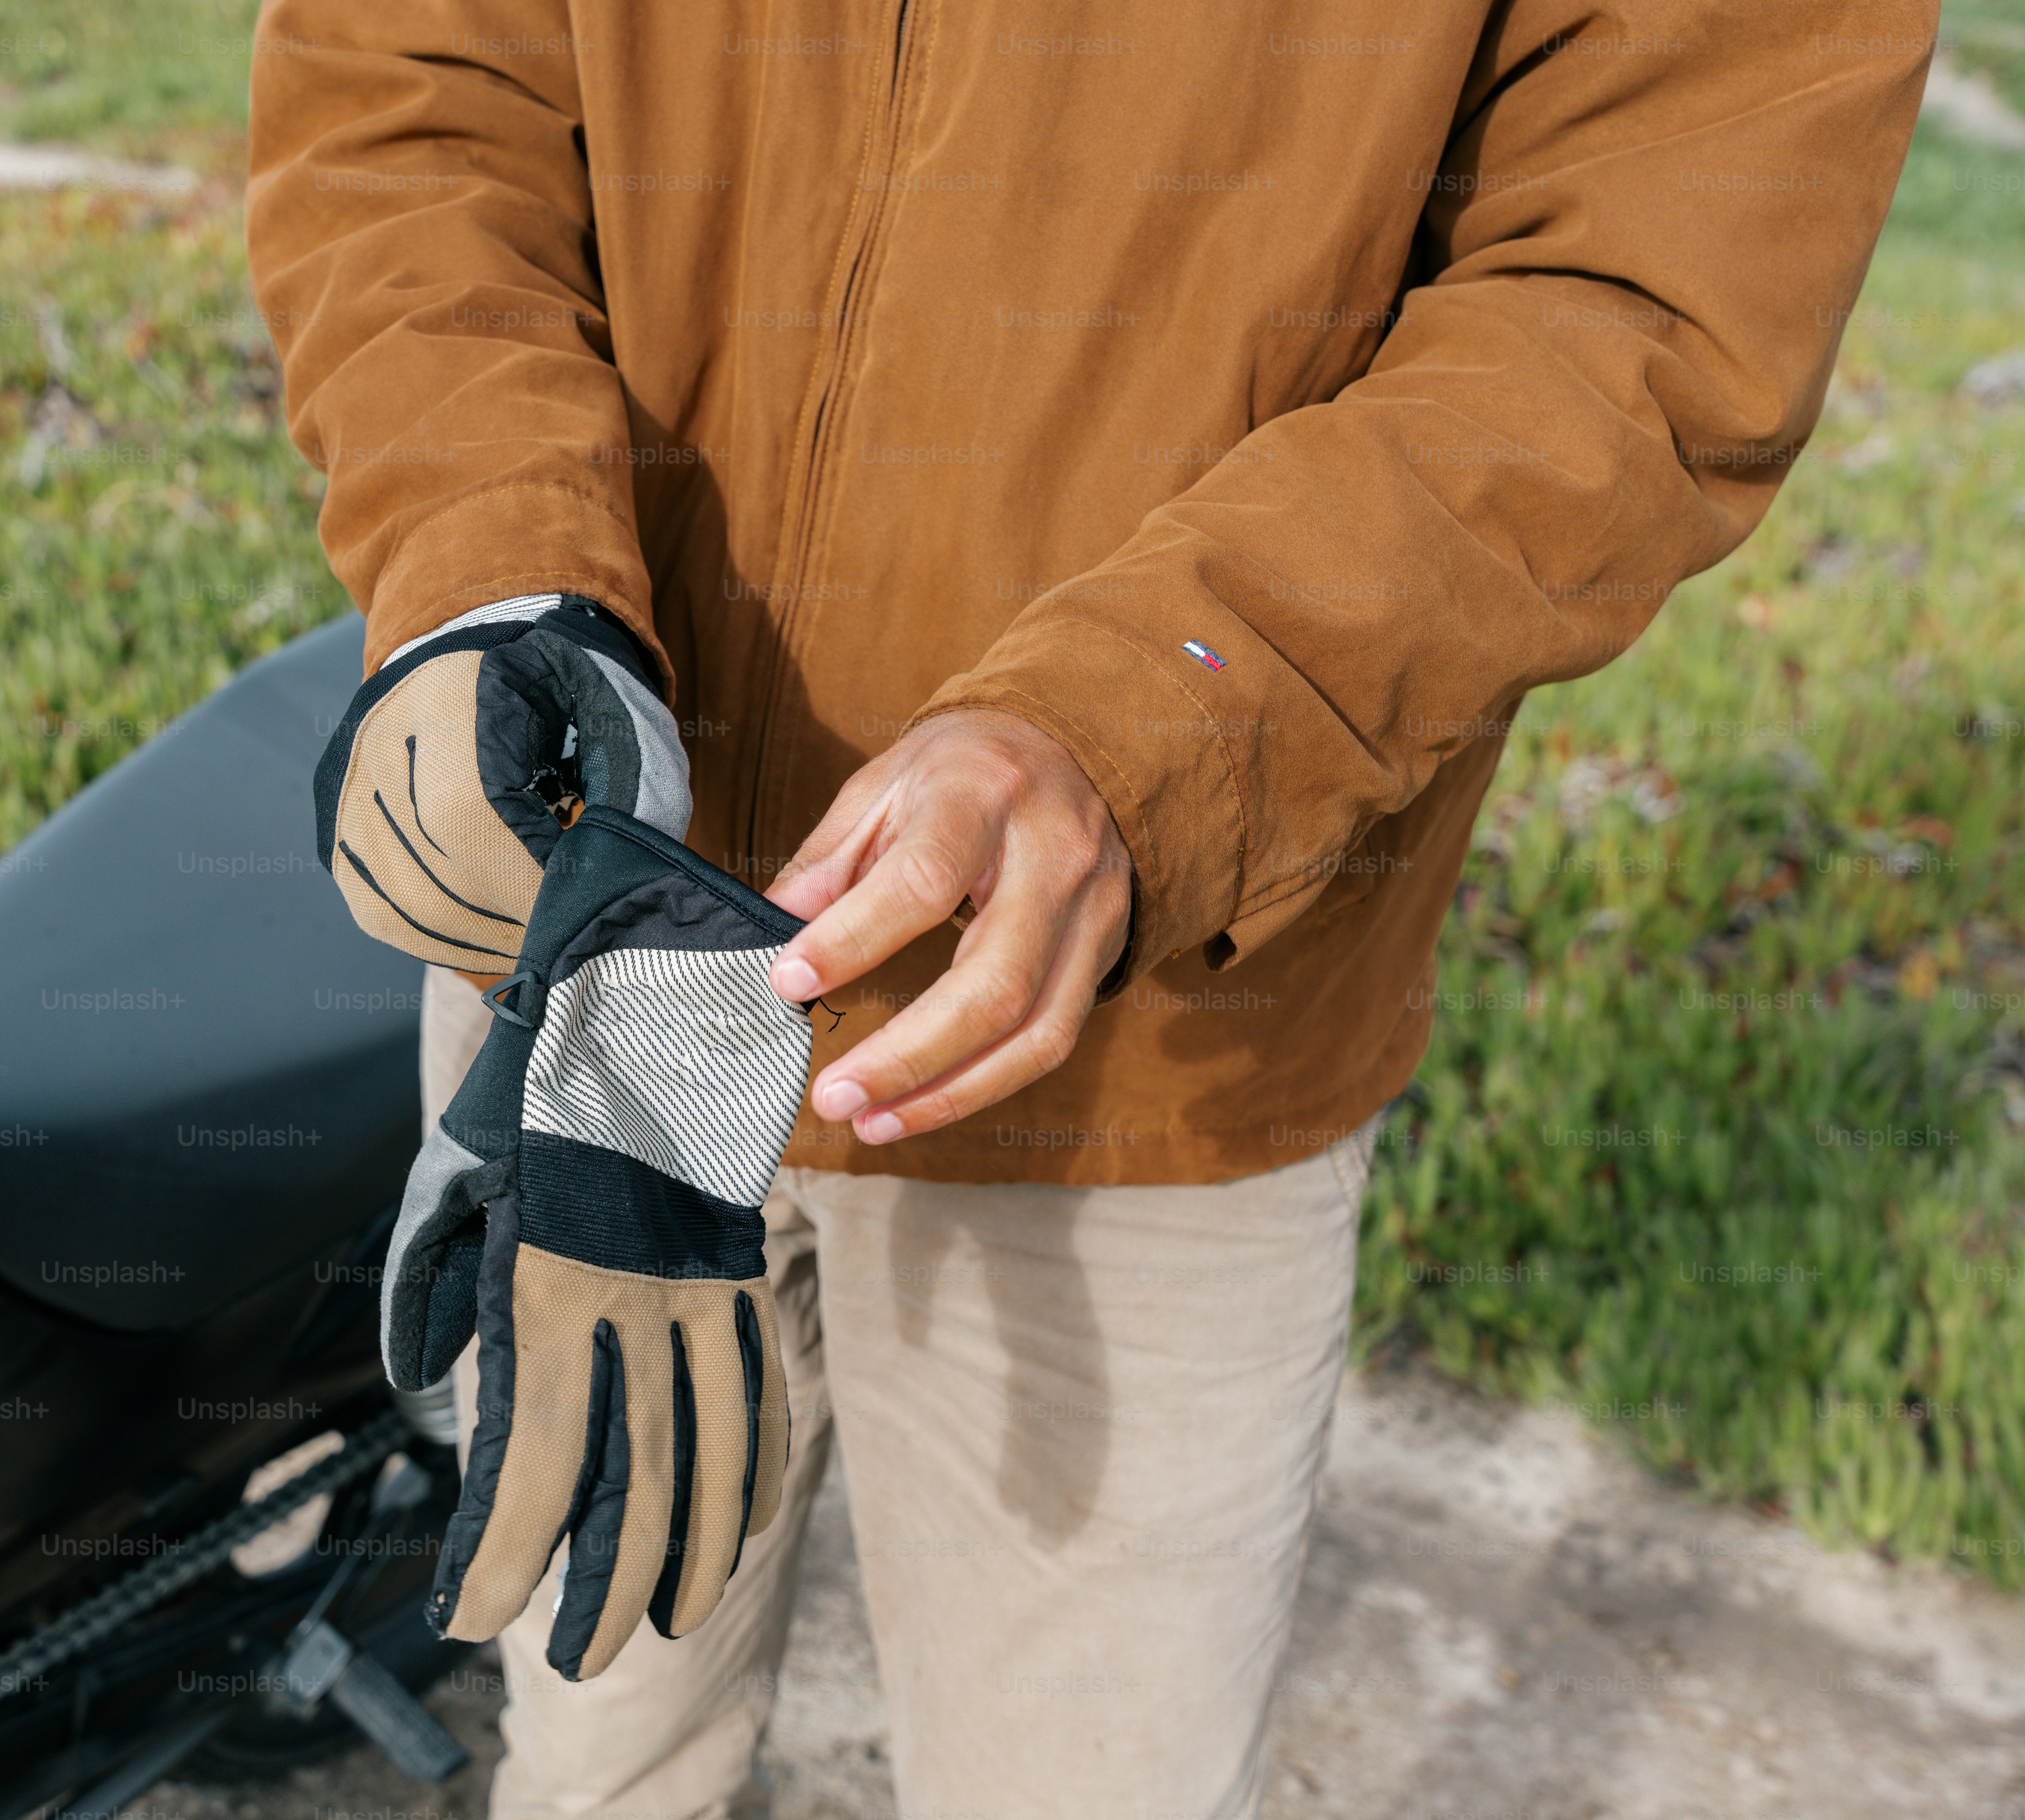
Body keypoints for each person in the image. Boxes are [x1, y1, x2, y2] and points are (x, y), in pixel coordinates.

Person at [246, 4, 1929, 1814]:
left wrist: (1150, 719)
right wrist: (486, 563)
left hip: (1139, 1049)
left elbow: (1632, 308)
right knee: (597, 1734)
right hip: (596, 959)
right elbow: (412, 87)